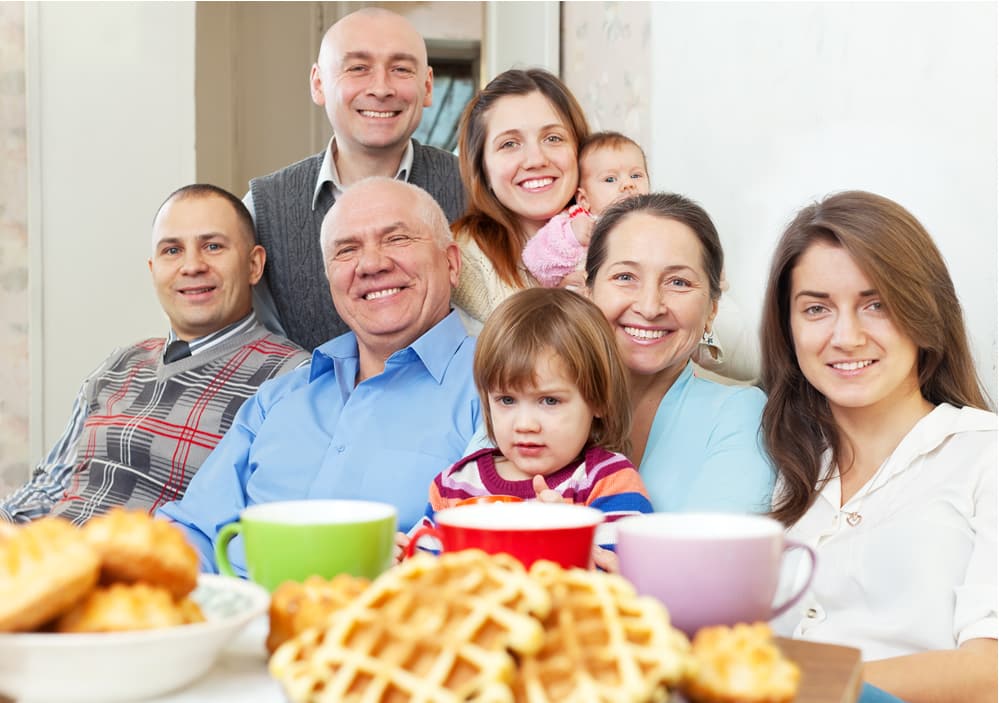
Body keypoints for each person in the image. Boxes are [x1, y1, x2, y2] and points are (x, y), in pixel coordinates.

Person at [157, 178, 481, 574]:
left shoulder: (497, 388)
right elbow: (194, 529)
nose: (372, 264)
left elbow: (497, 545)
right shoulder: (278, 397)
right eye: (347, 250)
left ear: (451, 263)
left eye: (396, 239)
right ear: (329, 278)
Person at [761, 191, 996, 703]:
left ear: (923, 312)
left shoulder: (985, 455)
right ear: (789, 327)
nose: (846, 336)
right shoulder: (781, 465)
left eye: (876, 305)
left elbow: (990, 673)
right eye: (817, 308)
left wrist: (788, 685)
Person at [0, 185, 309, 525]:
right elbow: (48, 486)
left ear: (254, 265)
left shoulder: (292, 378)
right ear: (153, 270)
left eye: (213, 246)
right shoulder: (120, 363)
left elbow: (265, 526)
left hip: (147, 570)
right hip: (42, 558)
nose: (192, 265)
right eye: (172, 250)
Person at [245, 7, 466, 351]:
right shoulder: (263, 209)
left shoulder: (478, 189)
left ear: (427, 86)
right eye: (358, 68)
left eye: (401, 69)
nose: (381, 88)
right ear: (318, 84)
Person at [402, 287, 653, 555]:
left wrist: (568, 538)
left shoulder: (608, 481)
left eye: (549, 401)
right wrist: (402, 559)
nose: (525, 425)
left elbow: (624, 578)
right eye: (507, 400)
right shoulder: (455, 484)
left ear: (598, 400)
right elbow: (422, 574)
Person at [585, 193, 775, 515]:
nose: (649, 307)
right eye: (625, 277)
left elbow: (712, 555)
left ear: (712, 310)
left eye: (678, 282)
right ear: (589, 294)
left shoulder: (741, 415)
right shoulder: (532, 393)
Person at [451, 68, 590, 324]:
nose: (536, 160)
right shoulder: (457, 262)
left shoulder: (619, 232)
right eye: (509, 144)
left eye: (553, 138)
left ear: (580, 151)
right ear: (482, 168)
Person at [523, 131, 649, 290]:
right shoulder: (575, 222)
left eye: (636, 175)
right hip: (583, 307)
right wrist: (571, 237)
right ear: (584, 199)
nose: (628, 184)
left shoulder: (657, 221)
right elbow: (537, 262)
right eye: (610, 179)